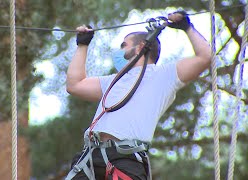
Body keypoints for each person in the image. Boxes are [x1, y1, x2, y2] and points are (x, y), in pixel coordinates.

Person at [65, 11, 211, 180]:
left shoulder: (164, 75)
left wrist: (187, 28)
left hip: (125, 158)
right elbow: (74, 85)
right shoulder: (113, 81)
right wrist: (82, 46)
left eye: (124, 45)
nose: (119, 51)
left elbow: (205, 57)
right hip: (91, 156)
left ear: (141, 47)